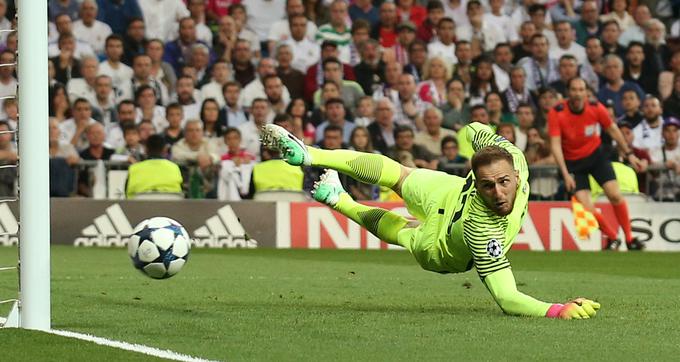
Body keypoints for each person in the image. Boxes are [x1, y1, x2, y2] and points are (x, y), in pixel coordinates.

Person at [260, 120, 601, 319]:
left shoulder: (510, 163)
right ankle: (323, 177)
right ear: (477, 182)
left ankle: (324, 176)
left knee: (404, 200)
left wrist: (474, 130)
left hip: (446, 219)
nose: (497, 192)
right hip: (447, 219)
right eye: (487, 185)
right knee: (402, 202)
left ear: (516, 172)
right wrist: (558, 310)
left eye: (503, 182)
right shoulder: (484, 228)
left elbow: (473, 131)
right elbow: (509, 298)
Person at [548, 77, 645, 251]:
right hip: (573, 164)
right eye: (574, 90)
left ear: (586, 92)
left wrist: (629, 153)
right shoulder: (557, 112)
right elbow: (555, 145)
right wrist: (565, 174)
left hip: (595, 157)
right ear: (569, 92)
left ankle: (630, 239)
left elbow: (613, 130)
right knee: (585, 207)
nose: (578, 93)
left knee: (615, 195)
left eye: (581, 90)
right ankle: (613, 237)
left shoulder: (595, 107)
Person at [125, 134, 183, 199]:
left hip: (140, 208)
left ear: (145, 149)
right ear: (165, 149)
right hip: (170, 207)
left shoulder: (134, 168)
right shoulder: (175, 168)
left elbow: (127, 195)